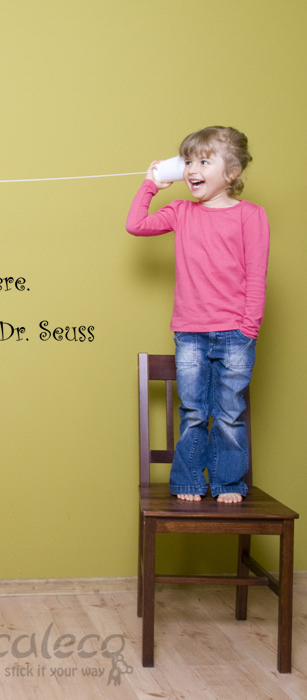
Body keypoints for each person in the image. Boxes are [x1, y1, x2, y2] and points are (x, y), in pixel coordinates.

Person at [126, 126, 269, 503]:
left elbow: (256, 274)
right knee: (193, 411)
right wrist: (150, 185)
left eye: (204, 161)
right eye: (188, 161)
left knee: (229, 413)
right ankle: (188, 482)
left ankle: (227, 484)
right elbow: (135, 225)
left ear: (231, 172)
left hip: (236, 333)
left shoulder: (251, 215)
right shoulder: (180, 211)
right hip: (190, 333)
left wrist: (249, 328)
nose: (192, 169)